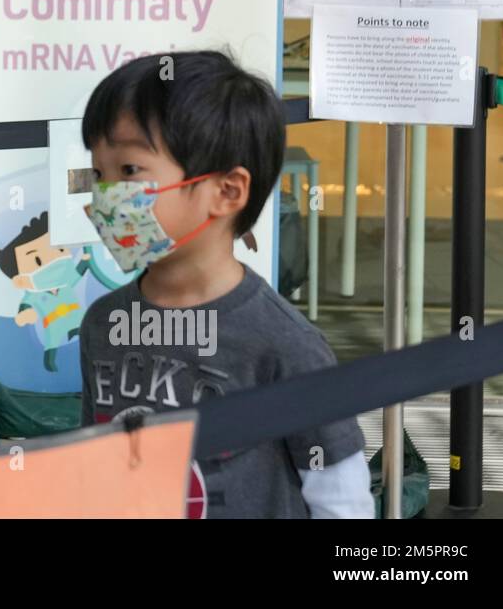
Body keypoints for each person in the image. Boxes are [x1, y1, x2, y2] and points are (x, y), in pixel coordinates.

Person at [78, 50, 373, 519]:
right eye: (98, 173)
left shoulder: (283, 342)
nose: (105, 194)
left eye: (129, 171)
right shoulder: (103, 323)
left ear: (228, 191)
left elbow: (341, 498)